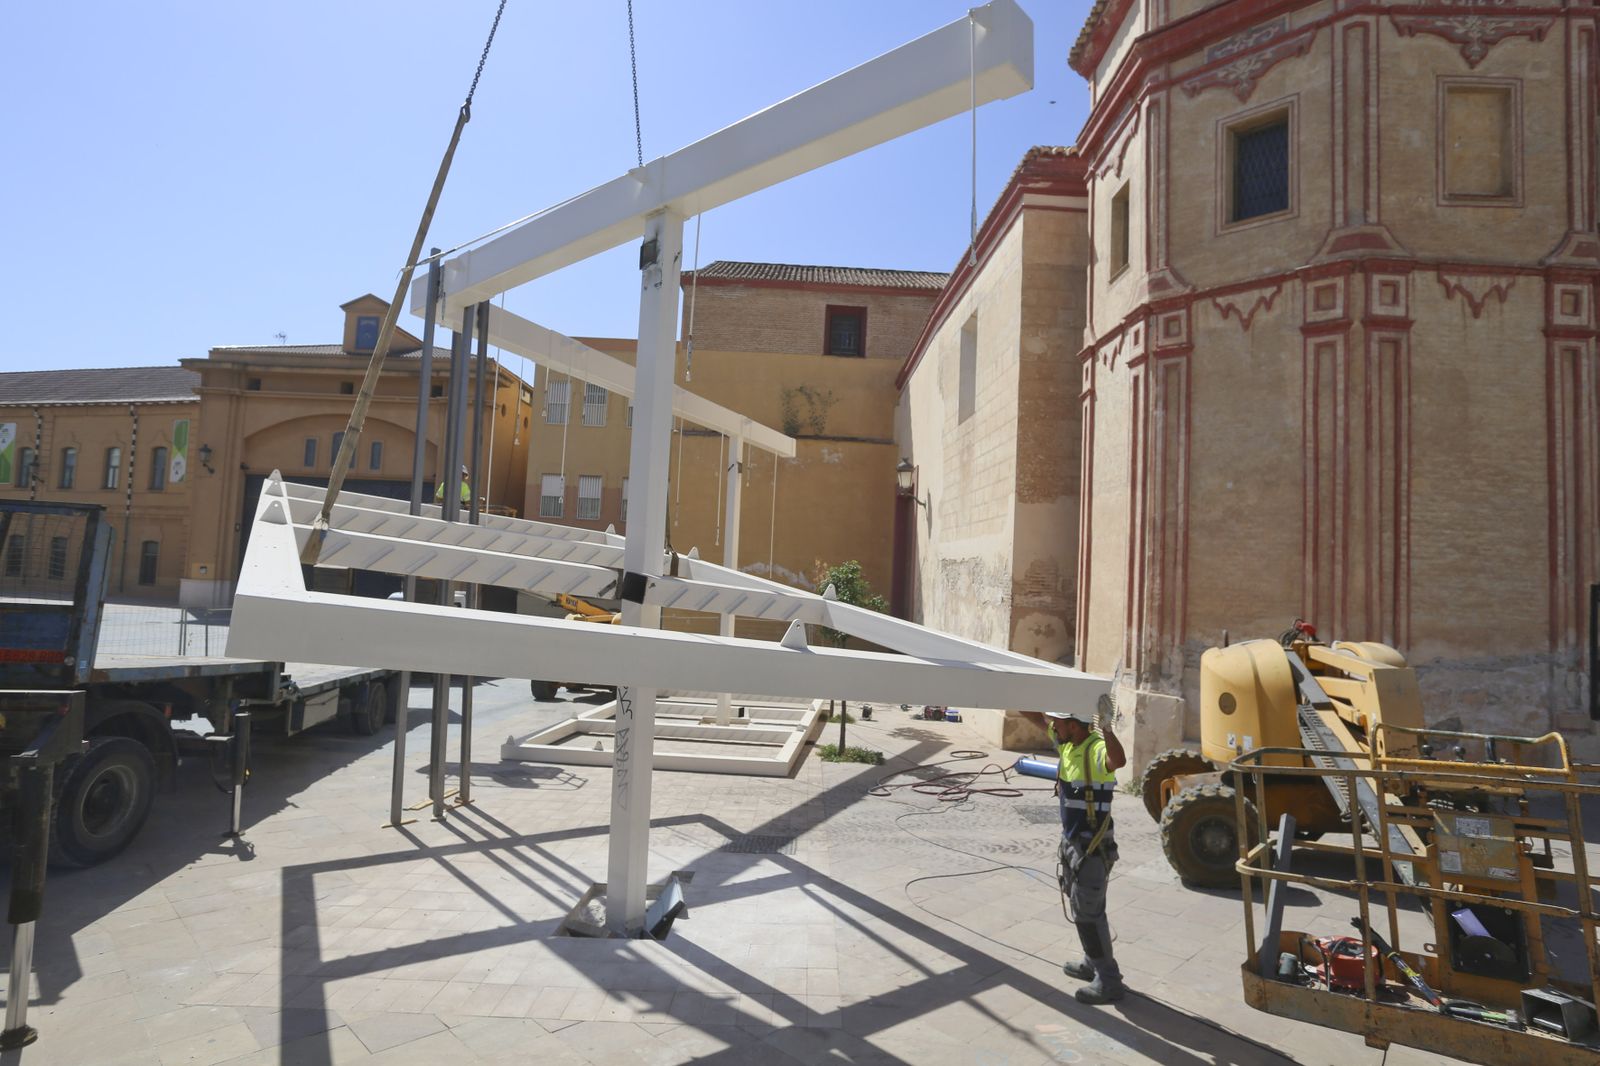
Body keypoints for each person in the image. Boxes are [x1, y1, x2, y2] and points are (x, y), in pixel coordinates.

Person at [1022, 704, 1127, 1004]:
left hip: (1092, 847)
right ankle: (1091, 962)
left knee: (1088, 913)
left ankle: (1109, 980)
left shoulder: (1095, 749)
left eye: (1058, 722)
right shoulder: (1067, 744)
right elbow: (1030, 714)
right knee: (1081, 904)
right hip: (1073, 843)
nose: (1052, 726)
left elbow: (1118, 760)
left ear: (1074, 725)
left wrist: (1107, 729)